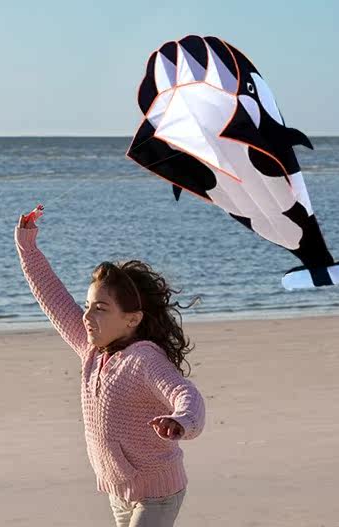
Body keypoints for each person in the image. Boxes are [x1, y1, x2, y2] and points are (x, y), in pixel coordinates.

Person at [15, 210, 206, 527]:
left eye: (100, 309)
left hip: (157, 492)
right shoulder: (90, 348)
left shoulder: (143, 359)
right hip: (119, 491)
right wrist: (27, 245)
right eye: (87, 306)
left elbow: (187, 395)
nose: (87, 316)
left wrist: (181, 421)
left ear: (132, 319)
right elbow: (52, 296)